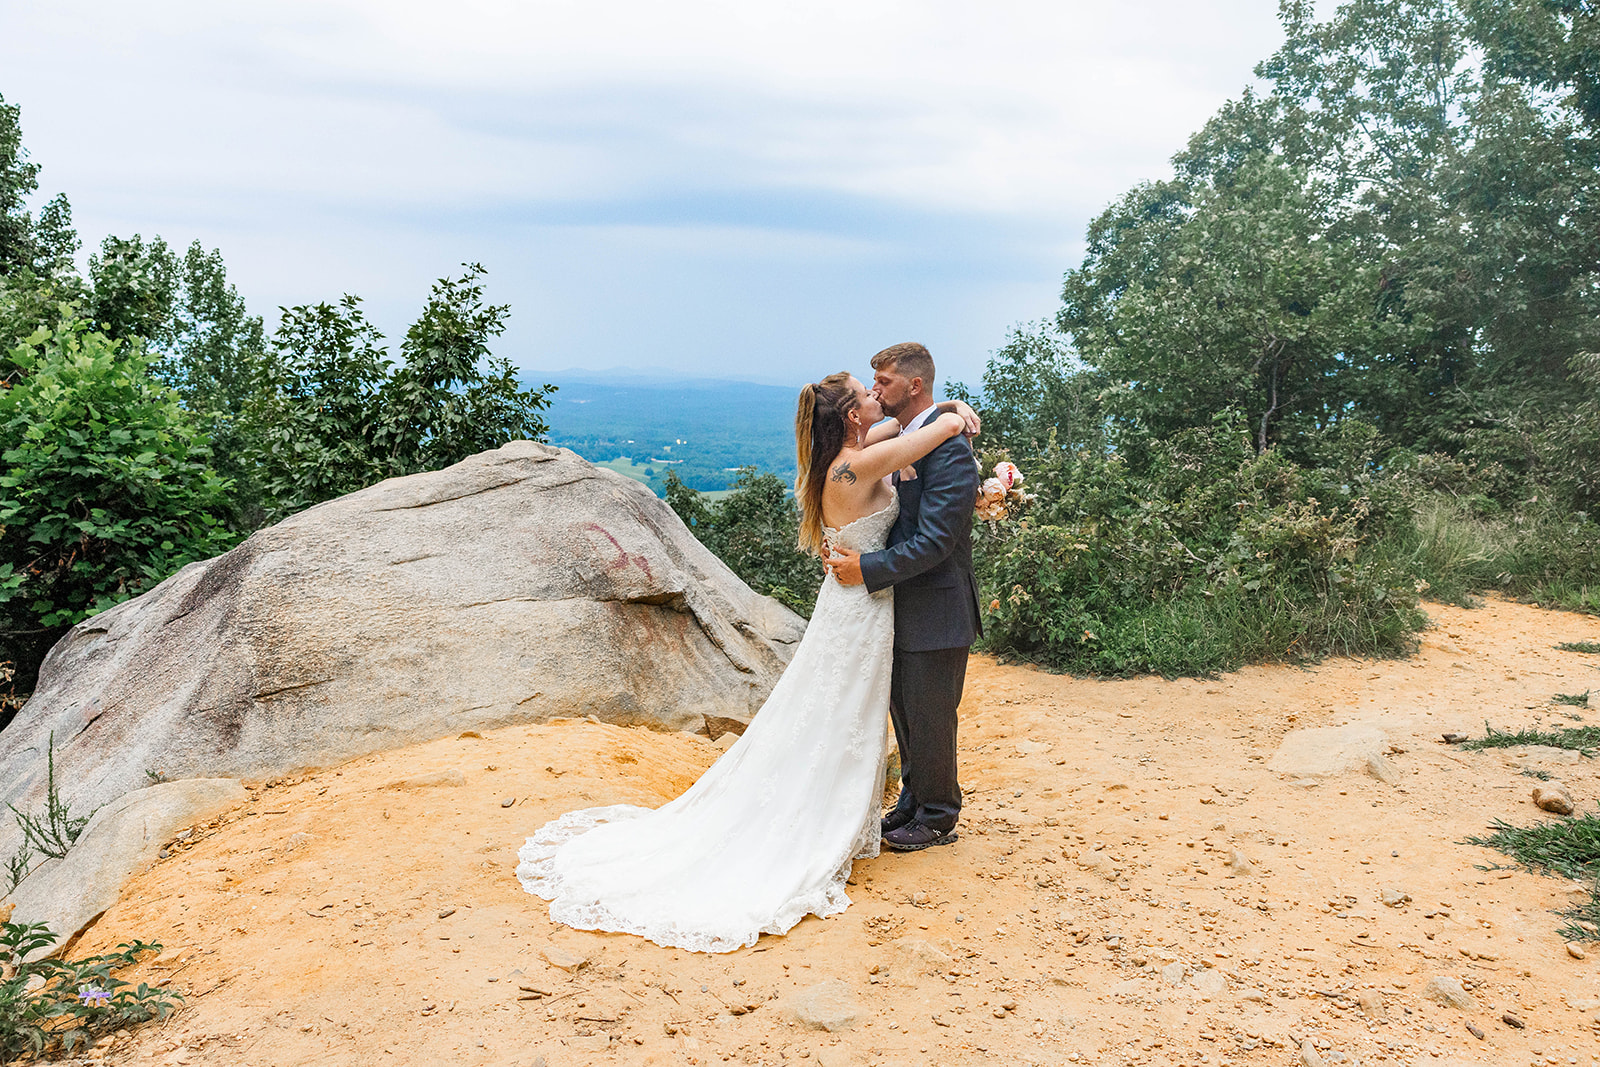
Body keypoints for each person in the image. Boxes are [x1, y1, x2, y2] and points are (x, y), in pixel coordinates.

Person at [515, 371, 975, 953]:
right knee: (839, 713)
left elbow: (903, 426)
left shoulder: (847, 452)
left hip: (860, 604)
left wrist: (945, 405)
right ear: (854, 416)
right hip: (859, 606)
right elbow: (922, 436)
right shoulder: (854, 466)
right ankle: (826, 816)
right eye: (866, 393)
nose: (875, 397)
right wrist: (955, 416)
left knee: (838, 710)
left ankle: (892, 802)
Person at [825, 342, 981, 852]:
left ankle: (938, 815)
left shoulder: (950, 450)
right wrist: (953, 409)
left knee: (932, 715)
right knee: (908, 713)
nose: (876, 390)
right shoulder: (909, 438)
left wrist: (866, 568)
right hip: (899, 609)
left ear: (914, 385)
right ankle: (914, 802)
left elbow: (935, 541)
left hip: (937, 608)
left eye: (885, 382)